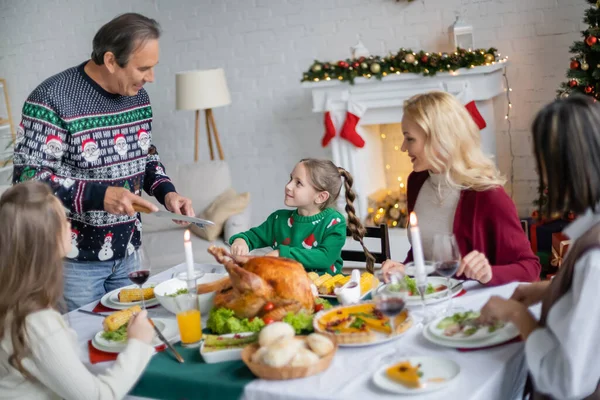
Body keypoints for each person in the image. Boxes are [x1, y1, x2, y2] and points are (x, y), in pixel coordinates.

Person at [12, 13, 194, 311]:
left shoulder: (138, 97)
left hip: (132, 254)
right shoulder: (51, 99)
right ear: (111, 61)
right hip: (74, 264)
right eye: (143, 68)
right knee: (87, 351)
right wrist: (101, 195)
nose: (151, 78)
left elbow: (146, 155)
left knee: (133, 343)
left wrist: (167, 192)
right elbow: (27, 183)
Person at [480, 95, 600, 399]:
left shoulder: (594, 257)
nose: (542, 175)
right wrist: (550, 288)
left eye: (543, 161)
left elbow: (567, 381)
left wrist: (517, 315)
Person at [0, 181, 155, 399]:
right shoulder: (35, 322)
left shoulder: (13, 302)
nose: (70, 224)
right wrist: (138, 342)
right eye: (64, 219)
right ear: (48, 239)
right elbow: (100, 396)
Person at [381, 91, 540, 285]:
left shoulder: (488, 196)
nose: (403, 147)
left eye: (410, 138)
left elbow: (530, 268)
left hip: (474, 307)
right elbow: (425, 253)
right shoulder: (416, 181)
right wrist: (404, 268)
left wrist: (489, 273)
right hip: (433, 299)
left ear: (438, 139)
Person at [229, 158, 376, 273]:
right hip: (285, 283)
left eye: (298, 183)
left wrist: (281, 253)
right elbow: (252, 237)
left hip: (324, 292)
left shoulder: (334, 222)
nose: (288, 186)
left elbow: (325, 258)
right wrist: (241, 241)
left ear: (320, 197)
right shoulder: (278, 219)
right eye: (291, 179)